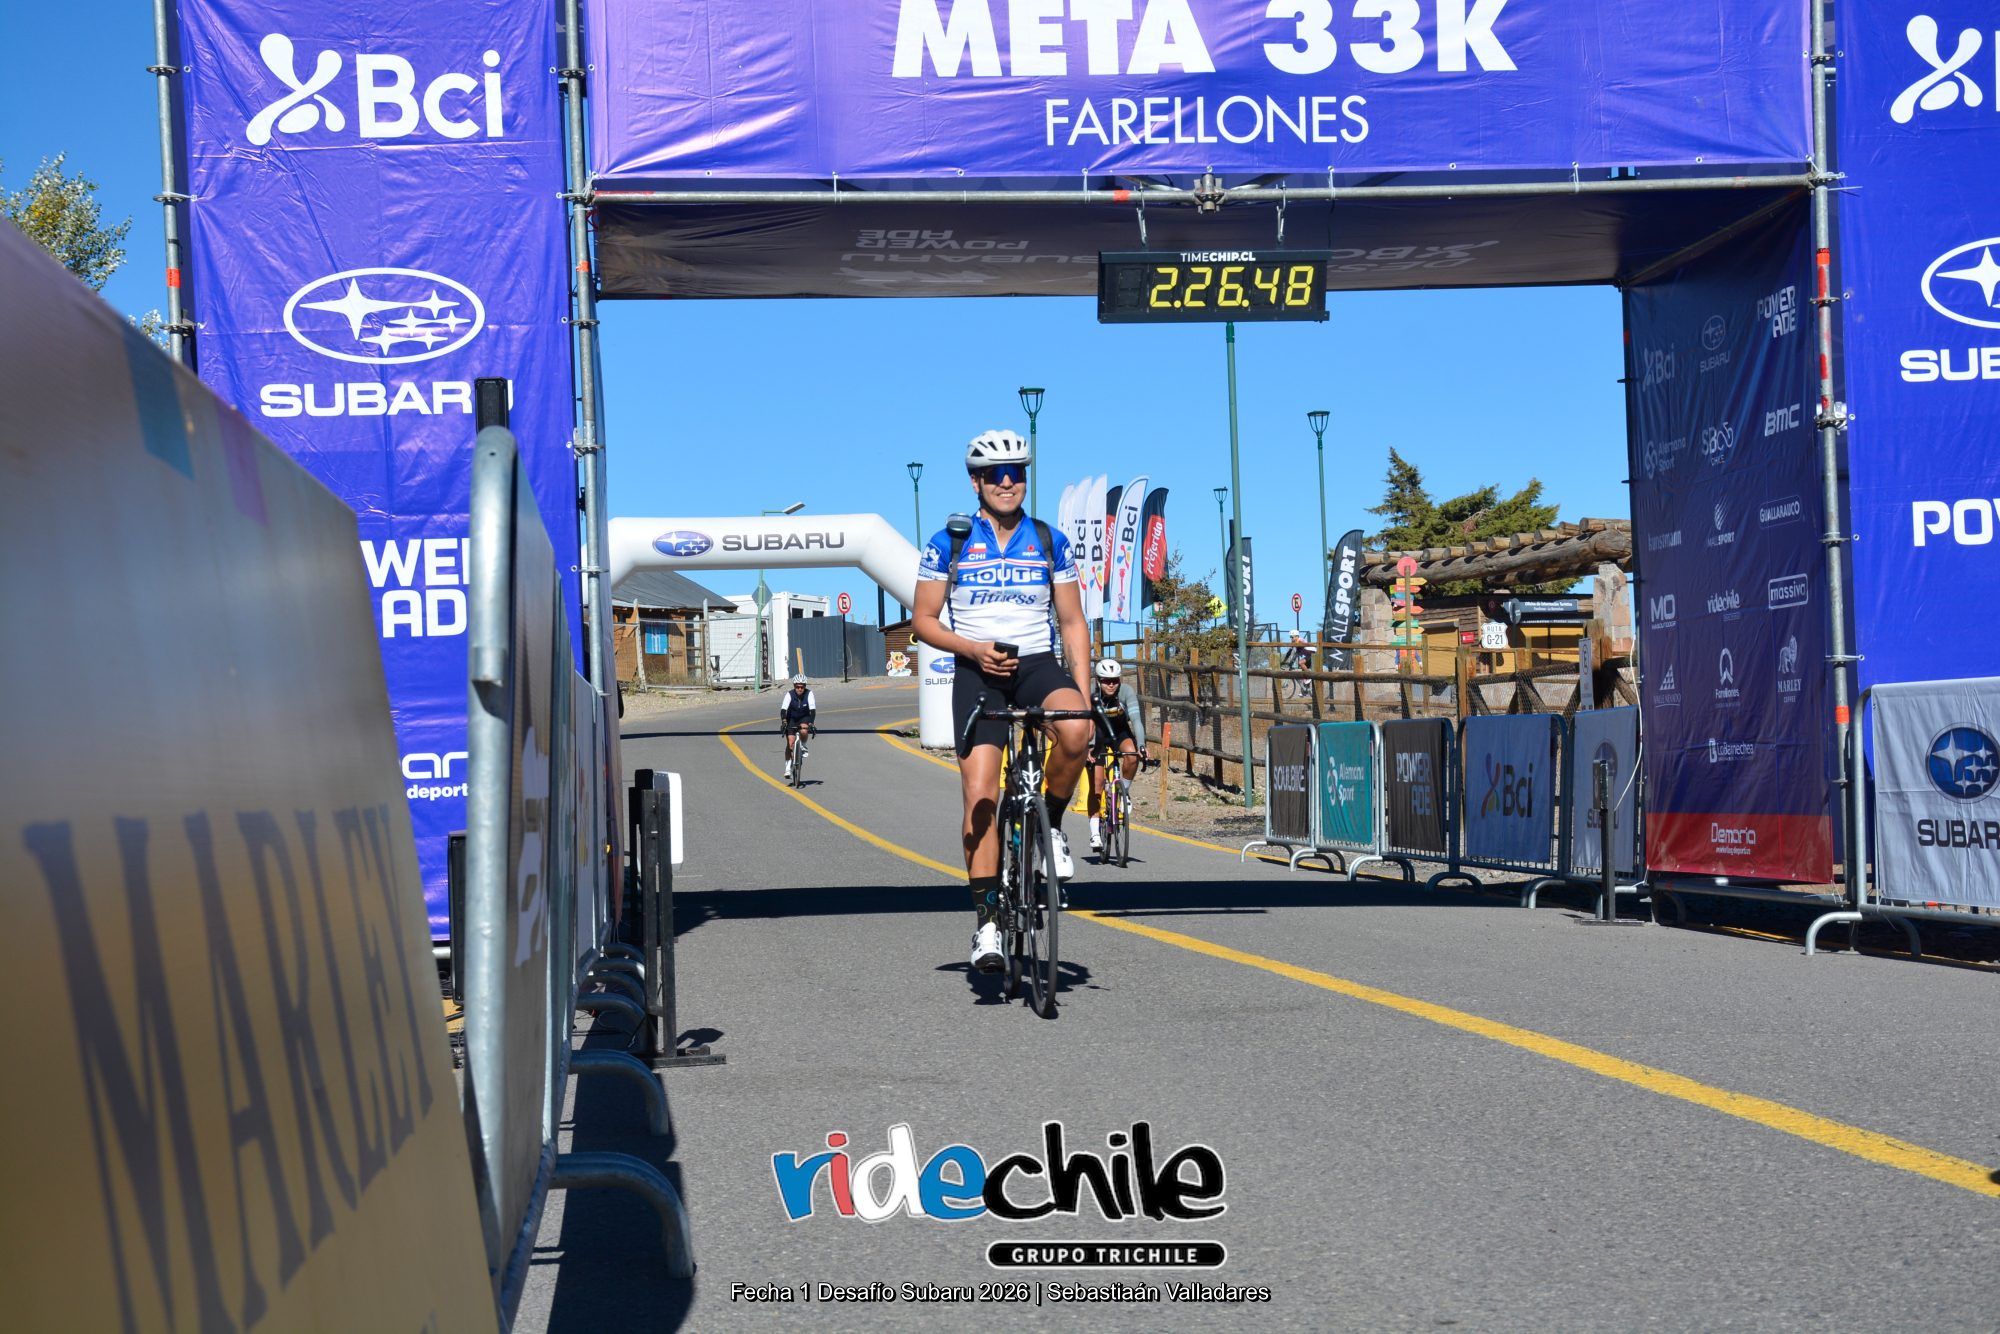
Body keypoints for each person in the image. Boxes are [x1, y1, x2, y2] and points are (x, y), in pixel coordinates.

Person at [911, 429, 1093, 975]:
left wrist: (1084, 698)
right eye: (996, 474)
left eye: (1017, 472)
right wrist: (972, 649)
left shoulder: (1049, 539)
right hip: (977, 668)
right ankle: (988, 922)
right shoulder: (949, 542)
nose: (1007, 482)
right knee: (980, 795)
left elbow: (1072, 622)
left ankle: (1050, 824)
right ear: (977, 482)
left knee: (1076, 729)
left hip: (1035, 662)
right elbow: (923, 621)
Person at [1085, 658, 1147, 851]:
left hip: (1119, 733)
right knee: (1096, 786)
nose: (1111, 684)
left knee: (1132, 755)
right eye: (1106, 680)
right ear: (1098, 680)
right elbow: (1086, 725)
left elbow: (1136, 720)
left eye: (1115, 680)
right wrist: (1087, 748)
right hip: (1096, 737)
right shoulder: (1090, 694)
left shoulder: (1126, 692)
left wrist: (1141, 745)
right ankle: (1095, 833)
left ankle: (1124, 792)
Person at [780, 674, 815, 778]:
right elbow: (783, 710)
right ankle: (788, 768)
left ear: (805, 686)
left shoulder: (809, 694)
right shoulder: (789, 694)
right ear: (794, 686)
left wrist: (811, 723)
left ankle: (803, 746)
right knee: (790, 743)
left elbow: (812, 710)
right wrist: (784, 721)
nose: (800, 689)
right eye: (797, 687)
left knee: (804, 729)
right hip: (791, 718)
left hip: (804, 717)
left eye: (802, 687)